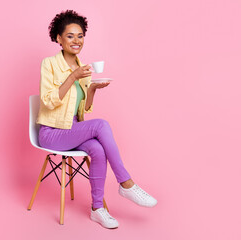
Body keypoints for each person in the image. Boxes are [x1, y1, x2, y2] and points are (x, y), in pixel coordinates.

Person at [36, 10, 157, 229]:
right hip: (52, 133)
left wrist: (92, 88)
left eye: (80, 35)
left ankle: (97, 209)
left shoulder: (84, 69)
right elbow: (48, 101)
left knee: (98, 150)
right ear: (58, 39)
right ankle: (126, 183)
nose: (76, 40)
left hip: (72, 129)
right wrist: (73, 77)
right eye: (70, 35)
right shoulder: (50, 64)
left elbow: (84, 109)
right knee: (101, 125)